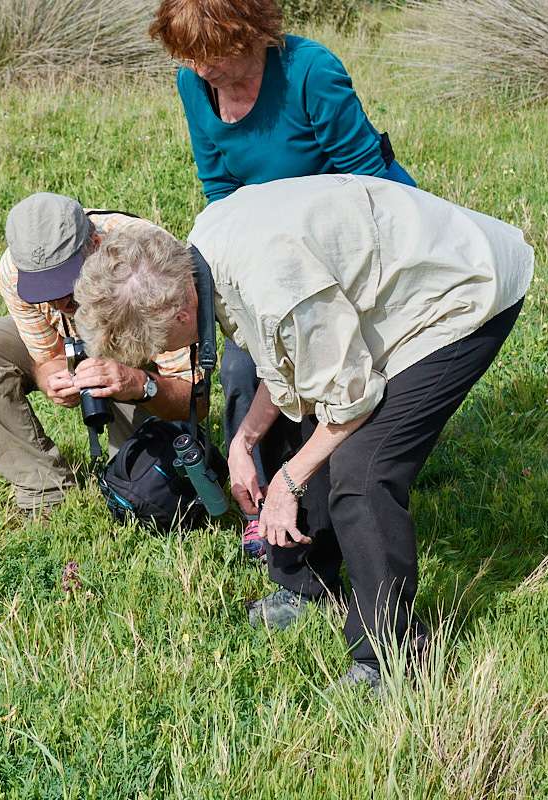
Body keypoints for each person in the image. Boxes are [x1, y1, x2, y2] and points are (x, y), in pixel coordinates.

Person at [72, 175, 533, 691]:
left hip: (462, 289)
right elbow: (286, 366)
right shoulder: (200, 255)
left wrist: (289, 482)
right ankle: (305, 585)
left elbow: (351, 396)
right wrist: (244, 441)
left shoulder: (273, 285)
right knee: (299, 426)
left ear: (181, 310)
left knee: (364, 471)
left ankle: (393, 656)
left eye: (161, 344)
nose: (162, 355)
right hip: (383, 282)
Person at [150, 0, 419, 558]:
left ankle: (316, 503)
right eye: (190, 56)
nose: (202, 70)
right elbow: (220, 190)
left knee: (322, 366)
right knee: (245, 362)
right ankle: (262, 502)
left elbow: (371, 190)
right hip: (271, 256)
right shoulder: (194, 84)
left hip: (354, 248)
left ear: (251, 31)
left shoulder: (309, 73)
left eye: (213, 52)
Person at [0, 193, 198, 516]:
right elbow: (47, 356)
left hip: (140, 368)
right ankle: (44, 489)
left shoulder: (149, 264)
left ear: (95, 243)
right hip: (80, 350)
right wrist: (49, 376)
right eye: (45, 290)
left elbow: (195, 401)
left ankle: (126, 465)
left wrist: (136, 382)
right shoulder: (16, 271)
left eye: (68, 282)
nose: (60, 301)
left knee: (139, 487)